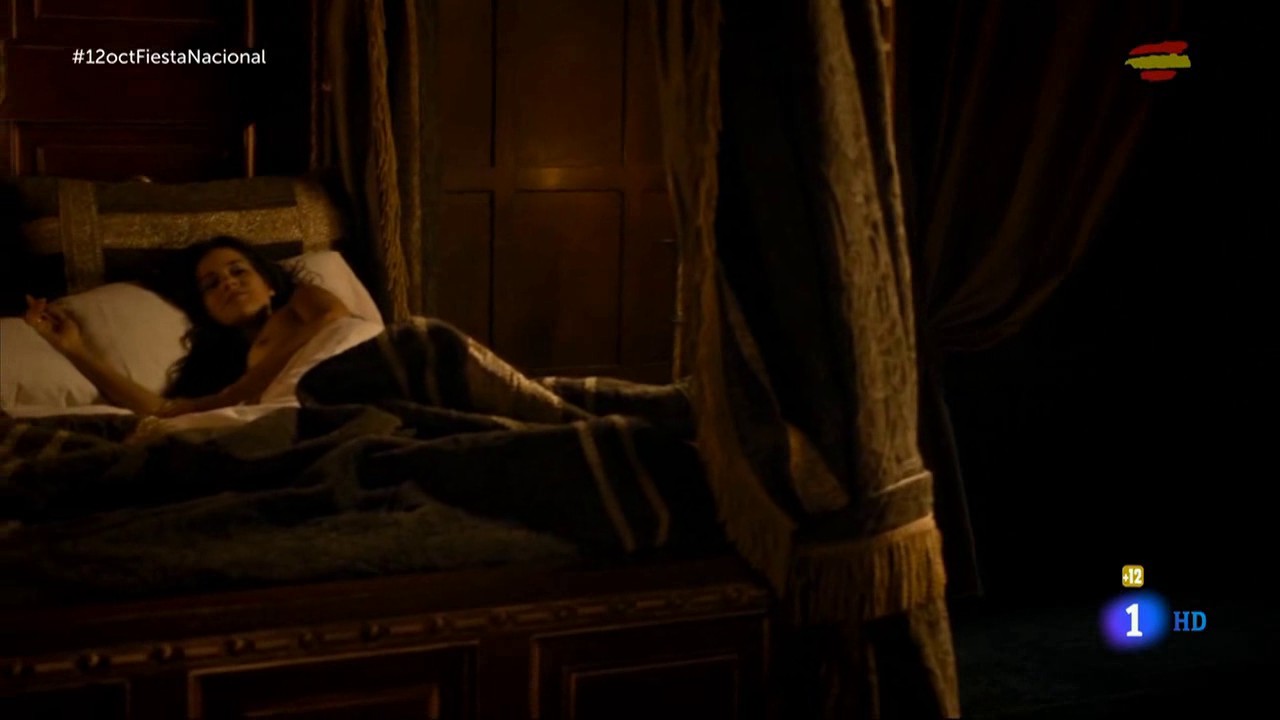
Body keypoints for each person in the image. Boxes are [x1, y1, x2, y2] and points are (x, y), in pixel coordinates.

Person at [23, 236, 351, 418]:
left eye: (238, 271)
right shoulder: (228, 373)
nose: (228, 283)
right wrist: (75, 350)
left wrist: (239, 391)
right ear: (205, 309)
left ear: (269, 285)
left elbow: (335, 321)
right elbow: (164, 411)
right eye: (211, 284)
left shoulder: (301, 301)